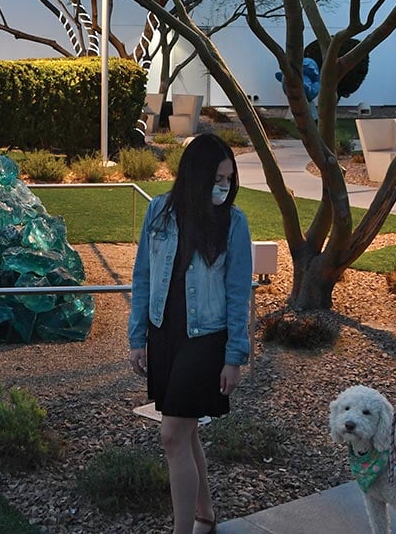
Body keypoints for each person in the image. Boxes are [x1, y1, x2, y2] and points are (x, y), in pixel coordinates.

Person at [128, 133, 252, 534]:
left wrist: (235, 356)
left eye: (229, 179)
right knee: (185, 430)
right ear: (196, 176)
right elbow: (143, 276)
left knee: (171, 436)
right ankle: (205, 515)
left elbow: (238, 292)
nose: (224, 186)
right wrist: (137, 337)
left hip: (206, 338)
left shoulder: (233, 223)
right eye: (217, 178)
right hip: (166, 335)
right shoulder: (160, 211)